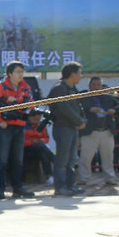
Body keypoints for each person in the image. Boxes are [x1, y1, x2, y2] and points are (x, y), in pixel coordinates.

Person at [0, 60, 35, 200]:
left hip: (19, 125)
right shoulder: (0, 86)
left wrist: (22, 105)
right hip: (5, 126)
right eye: (18, 72)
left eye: (22, 72)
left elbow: (31, 103)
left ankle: (18, 188)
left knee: (18, 159)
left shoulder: (25, 87)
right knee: (2, 159)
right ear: (10, 73)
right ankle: (0, 189)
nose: (21, 75)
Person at [47, 61, 87, 197]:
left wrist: (82, 120)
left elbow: (78, 107)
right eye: (79, 73)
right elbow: (65, 109)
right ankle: (60, 186)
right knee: (62, 159)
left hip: (72, 127)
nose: (81, 76)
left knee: (71, 159)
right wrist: (79, 121)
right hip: (63, 127)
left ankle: (71, 185)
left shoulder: (71, 89)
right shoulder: (59, 89)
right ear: (73, 74)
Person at [78, 77, 119, 187]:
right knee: (86, 157)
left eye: (98, 84)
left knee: (108, 156)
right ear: (89, 86)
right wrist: (89, 109)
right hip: (90, 131)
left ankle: (110, 177)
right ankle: (84, 178)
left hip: (106, 130)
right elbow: (78, 107)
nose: (96, 86)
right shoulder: (84, 97)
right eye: (94, 84)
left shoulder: (107, 97)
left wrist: (114, 110)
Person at [23, 110, 55, 185]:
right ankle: (55, 160)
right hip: (26, 149)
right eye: (35, 119)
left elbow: (46, 138)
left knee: (43, 154)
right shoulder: (24, 125)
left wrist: (41, 140)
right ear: (30, 117)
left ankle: (49, 177)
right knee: (41, 147)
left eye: (38, 119)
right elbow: (21, 141)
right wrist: (32, 141)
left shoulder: (41, 125)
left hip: (39, 149)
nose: (37, 121)